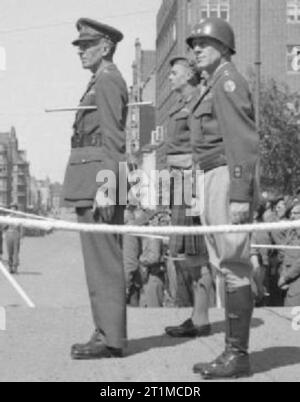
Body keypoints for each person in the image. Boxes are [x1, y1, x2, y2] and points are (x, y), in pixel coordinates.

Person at [187, 18, 260, 379]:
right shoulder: (212, 83)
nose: (196, 49)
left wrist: (240, 194)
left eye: (204, 42)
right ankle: (231, 352)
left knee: (233, 265)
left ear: (225, 46)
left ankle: (238, 355)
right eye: (194, 44)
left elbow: (243, 142)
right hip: (211, 175)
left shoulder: (228, 82)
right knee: (222, 264)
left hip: (225, 176)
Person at [62, 18, 128, 360]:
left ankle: (111, 337)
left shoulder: (107, 81)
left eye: (87, 46)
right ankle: (105, 330)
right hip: (91, 178)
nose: (81, 52)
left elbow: (114, 140)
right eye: (79, 46)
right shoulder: (99, 80)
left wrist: (107, 188)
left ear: (105, 47)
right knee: (98, 261)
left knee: (104, 261)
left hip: (98, 181)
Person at [164, 55, 213, 337]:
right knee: (187, 256)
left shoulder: (200, 101)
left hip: (192, 183)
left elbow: (201, 147)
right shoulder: (181, 105)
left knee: (197, 255)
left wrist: (184, 166)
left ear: (189, 76)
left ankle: (202, 318)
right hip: (179, 184)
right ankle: (197, 316)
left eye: (175, 73)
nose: (170, 77)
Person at [4, 203, 22, 274]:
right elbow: (4, 227)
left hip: (16, 234)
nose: (12, 210)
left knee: (16, 252)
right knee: (9, 252)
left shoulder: (19, 217)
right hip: (8, 235)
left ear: (16, 209)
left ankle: (15, 268)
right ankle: (10, 267)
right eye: (11, 208)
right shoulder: (8, 217)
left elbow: (21, 227)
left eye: (14, 208)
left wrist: (21, 236)